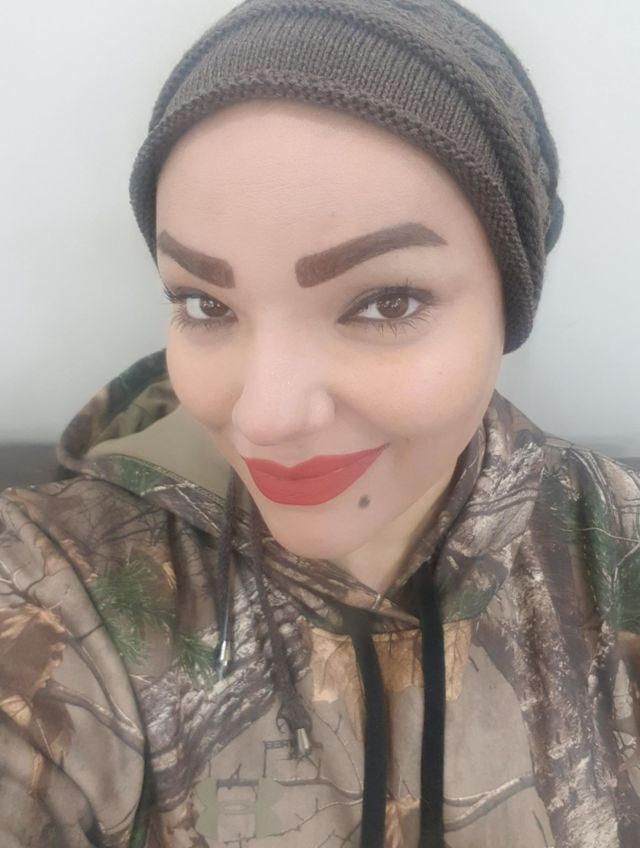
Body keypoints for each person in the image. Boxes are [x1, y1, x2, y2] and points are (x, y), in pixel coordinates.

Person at [1, 0, 638, 845]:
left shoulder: (615, 547)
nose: (264, 418)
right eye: (205, 303)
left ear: (509, 300)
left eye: (386, 302)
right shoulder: (57, 587)